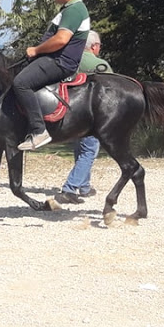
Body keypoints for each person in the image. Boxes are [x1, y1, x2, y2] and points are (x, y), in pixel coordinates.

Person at [13, 0, 90, 151]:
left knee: (21, 83)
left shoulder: (75, 10)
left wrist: (36, 50)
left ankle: (39, 131)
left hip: (61, 62)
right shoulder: (68, 9)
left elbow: (61, 40)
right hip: (54, 59)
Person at [56, 31, 113, 204]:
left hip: (70, 112)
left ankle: (85, 186)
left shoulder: (71, 62)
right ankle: (70, 187)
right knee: (89, 151)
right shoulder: (100, 65)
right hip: (93, 115)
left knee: (80, 149)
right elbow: (111, 92)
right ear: (94, 46)